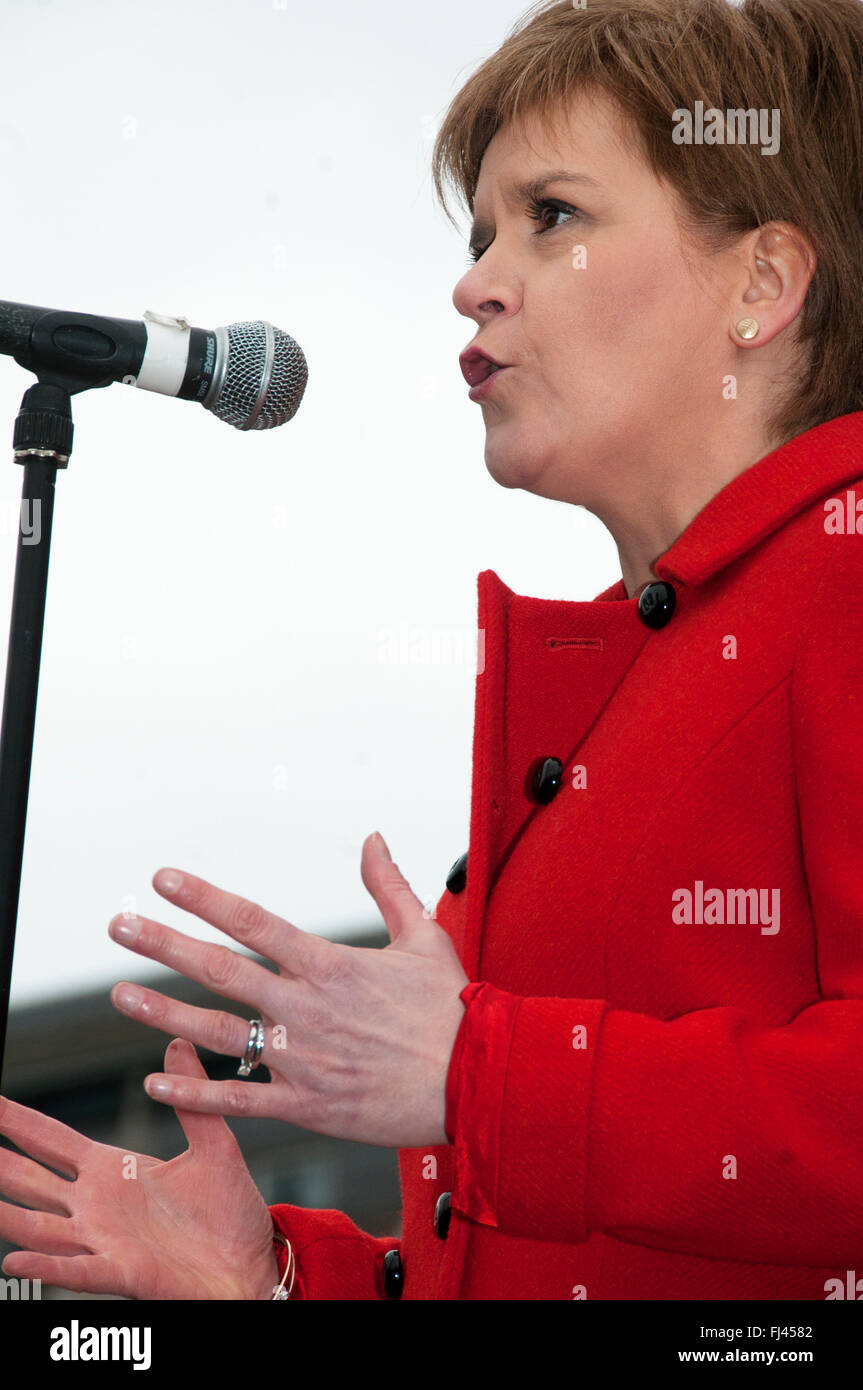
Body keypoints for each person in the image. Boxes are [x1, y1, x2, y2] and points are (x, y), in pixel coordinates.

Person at [2, 0, 863, 1300]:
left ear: (762, 282)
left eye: (553, 215)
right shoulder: (617, 692)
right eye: (480, 233)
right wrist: (281, 1277)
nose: (474, 282)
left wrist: (478, 1071)